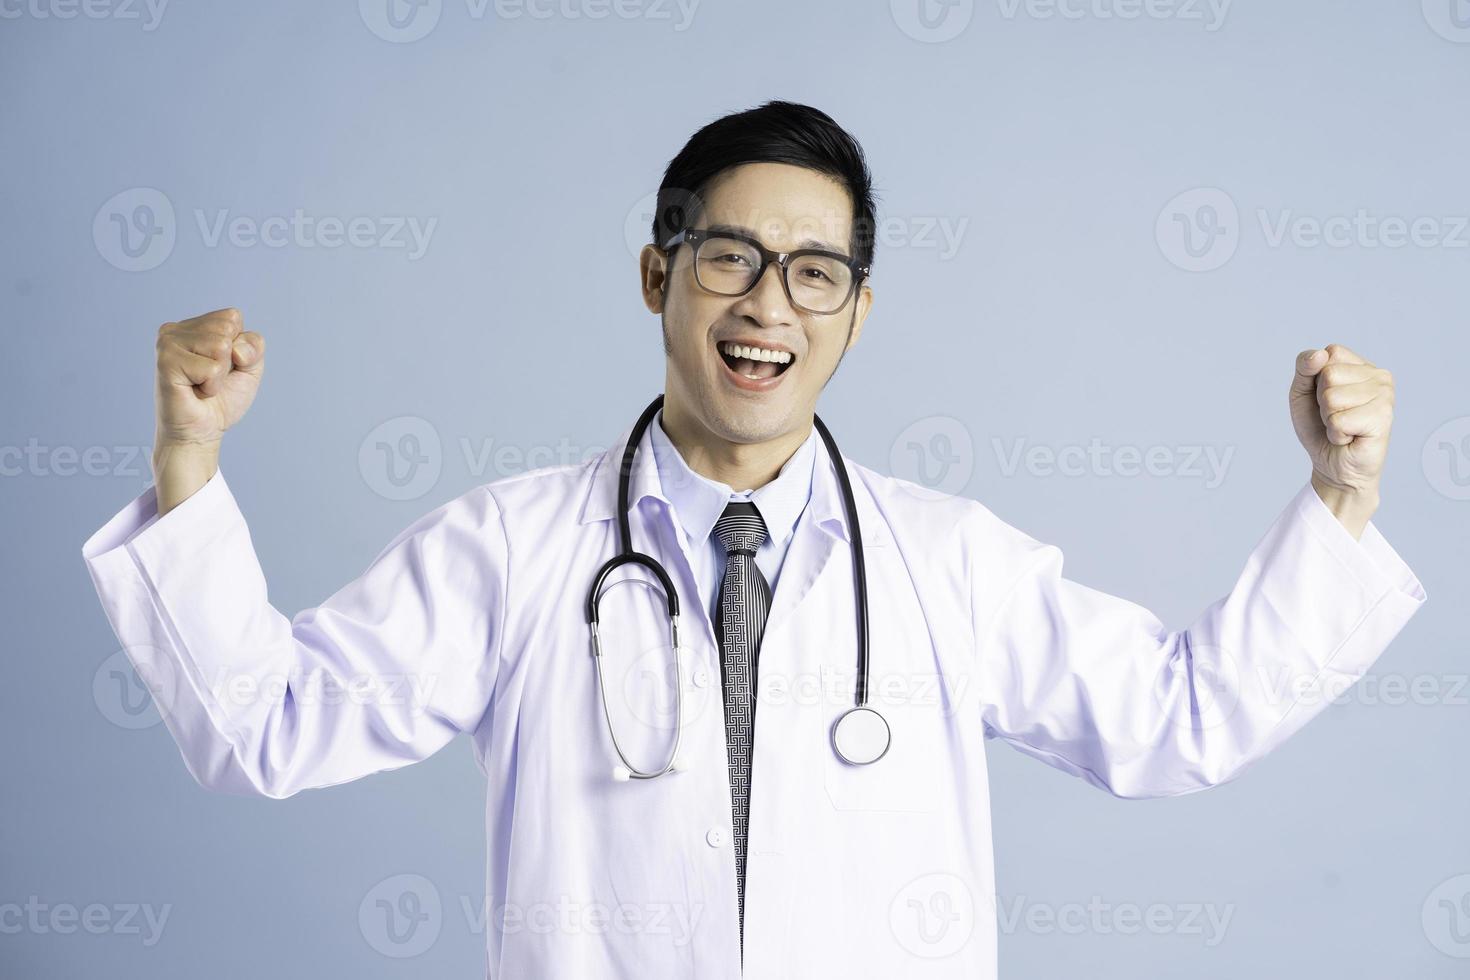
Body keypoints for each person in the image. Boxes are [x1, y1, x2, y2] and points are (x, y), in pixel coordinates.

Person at [81, 101, 1426, 979]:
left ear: (854, 313)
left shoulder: (947, 560)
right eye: (726, 257)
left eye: (814, 273)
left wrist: (1339, 497)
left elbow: (1175, 722)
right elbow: (263, 729)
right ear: (658, 275)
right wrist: (189, 460)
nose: (766, 304)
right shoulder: (511, 547)